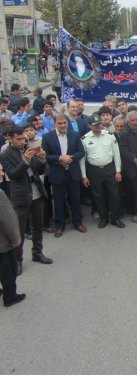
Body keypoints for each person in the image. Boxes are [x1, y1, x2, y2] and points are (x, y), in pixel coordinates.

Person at [0, 126, 53, 275]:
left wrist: (42, 158)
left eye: (24, 138)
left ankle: (38, 252)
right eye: (19, 139)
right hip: (21, 194)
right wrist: (25, 161)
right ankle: (18, 259)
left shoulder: (29, 147)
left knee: (38, 225)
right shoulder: (5, 154)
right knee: (20, 230)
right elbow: (13, 175)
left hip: (37, 191)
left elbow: (41, 170)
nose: (23, 141)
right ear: (9, 138)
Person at [41, 114, 87, 238]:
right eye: (59, 123)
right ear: (55, 124)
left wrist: (70, 158)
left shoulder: (75, 135)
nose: (62, 126)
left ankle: (78, 223)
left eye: (64, 123)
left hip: (73, 173)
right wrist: (60, 158)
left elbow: (81, 152)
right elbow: (45, 156)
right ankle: (60, 226)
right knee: (59, 201)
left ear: (67, 123)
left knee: (75, 200)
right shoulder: (47, 137)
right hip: (57, 174)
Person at [80, 113, 125, 229]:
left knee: (114, 194)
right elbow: (82, 159)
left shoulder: (110, 135)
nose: (98, 126)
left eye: (99, 123)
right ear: (90, 125)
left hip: (109, 169)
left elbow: (116, 154)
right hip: (94, 171)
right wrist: (84, 176)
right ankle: (103, 218)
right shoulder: (85, 139)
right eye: (95, 125)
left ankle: (115, 218)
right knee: (98, 195)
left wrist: (118, 171)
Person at [0, 164, 25, 307]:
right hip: (3, 243)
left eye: (3, 170)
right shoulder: (0, 194)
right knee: (8, 270)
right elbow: (7, 220)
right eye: (0, 171)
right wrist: (16, 240)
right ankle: (10, 297)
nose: (3, 174)